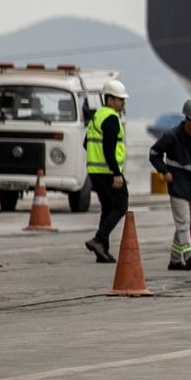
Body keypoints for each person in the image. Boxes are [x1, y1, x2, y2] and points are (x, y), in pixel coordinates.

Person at [148, 99, 191, 271]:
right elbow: (154, 154)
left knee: (188, 226)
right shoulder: (171, 136)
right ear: (187, 119)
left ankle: (175, 261)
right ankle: (189, 255)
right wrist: (164, 171)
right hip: (177, 186)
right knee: (183, 223)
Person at [84, 79, 130, 264]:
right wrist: (116, 173)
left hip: (95, 171)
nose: (123, 103)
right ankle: (98, 239)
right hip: (108, 173)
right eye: (120, 99)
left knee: (107, 208)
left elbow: (85, 143)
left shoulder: (97, 116)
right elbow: (109, 149)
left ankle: (102, 250)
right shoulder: (111, 118)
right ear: (110, 100)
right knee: (121, 206)